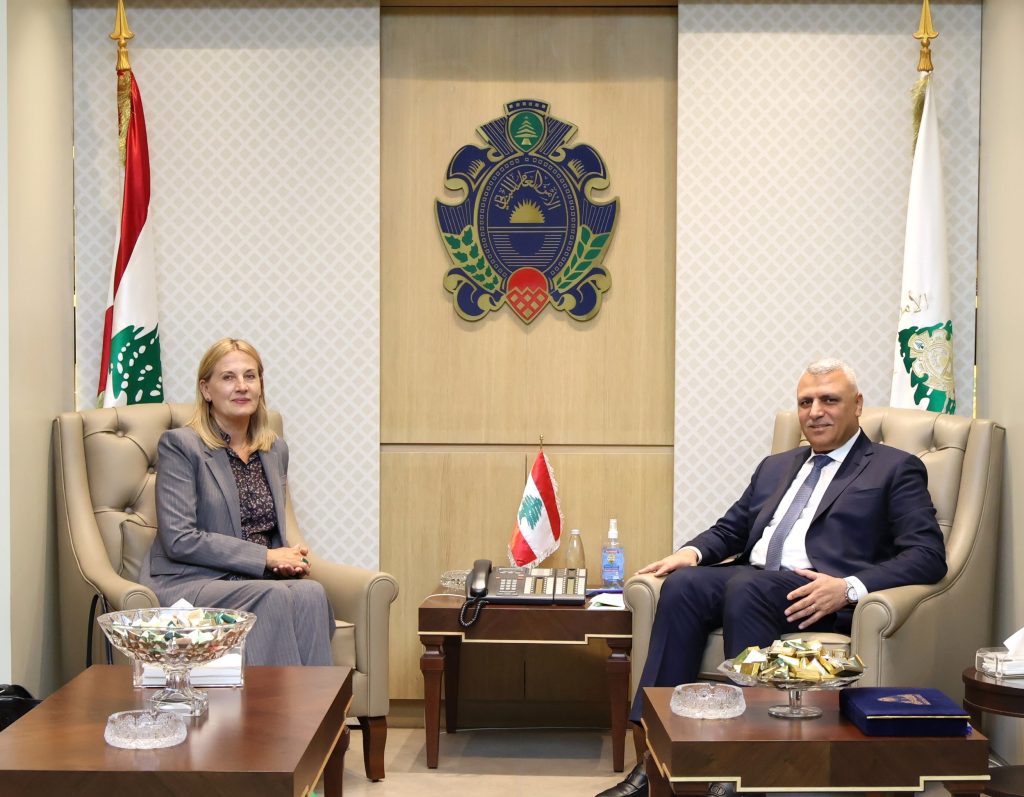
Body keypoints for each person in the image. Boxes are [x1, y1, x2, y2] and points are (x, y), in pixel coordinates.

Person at [596, 358, 947, 797]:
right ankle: (654, 761)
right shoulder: (776, 466)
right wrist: (689, 553)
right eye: (805, 402)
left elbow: (928, 556)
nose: (815, 412)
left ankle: (742, 771)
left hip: (821, 593)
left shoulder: (894, 467)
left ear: (857, 405)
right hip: (755, 579)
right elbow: (731, 530)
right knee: (684, 585)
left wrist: (848, 588)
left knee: (748, 587)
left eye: (829, 400)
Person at [139, 338, 334, 666]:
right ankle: (277, 700)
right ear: (206, 389)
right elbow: (179, 539)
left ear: (260, 385)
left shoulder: (274, 449)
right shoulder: (180, 445)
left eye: (250, 376)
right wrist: (266, 558)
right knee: (272, 596)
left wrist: (287, 558)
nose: (241, 386)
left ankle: (320, 700)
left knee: (312, 593)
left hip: (254, 578)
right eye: (228, 377)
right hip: (192, 579)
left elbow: (272, 530)